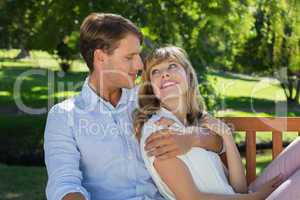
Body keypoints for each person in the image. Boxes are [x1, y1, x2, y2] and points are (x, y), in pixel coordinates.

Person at [44, 13, 223, 200]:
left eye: (138, 55)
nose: (139, 65)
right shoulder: (64, 116)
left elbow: (219, 140)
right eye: (130, 57)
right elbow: (64, 185)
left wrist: (191, 138)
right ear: (100, 57)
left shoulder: (151, 97)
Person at [133, 45, 300, 200]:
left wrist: (226, 136)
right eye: (155, 71)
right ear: (150, 88)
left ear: (188, 76)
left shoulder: (199, 125)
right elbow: (192, 198)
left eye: (172, 66)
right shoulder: (156, 131)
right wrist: (255, 198)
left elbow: (239, 189)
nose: (165, 73)